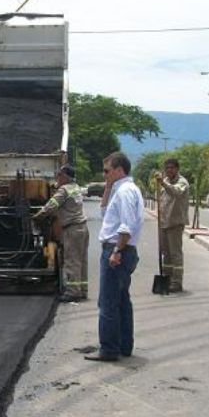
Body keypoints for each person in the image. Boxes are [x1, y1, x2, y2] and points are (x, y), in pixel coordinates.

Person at [85, 152, 144, 362]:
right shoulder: (120, 190)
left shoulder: (126, 191)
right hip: (121, 249)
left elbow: (127, 224)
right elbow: (104, 212)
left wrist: (117, 251)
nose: (104, 175)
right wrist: (108, 186)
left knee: (108, 302)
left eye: (107, 171)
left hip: (118, 250)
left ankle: (109, 349)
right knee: (121, 300)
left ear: (119, 170)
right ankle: (124, 346)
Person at [32, 165, 89, 302]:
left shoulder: (63, 190)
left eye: (59, 175)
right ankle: (82, 290)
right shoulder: (76, 188)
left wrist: (37, 216)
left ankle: (73, 292)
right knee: (81, 260)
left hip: (72, 230)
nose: (57, 177)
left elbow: (50, 206)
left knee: (71, 261)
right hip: (83, 228)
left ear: (65, 176)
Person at [156, 158, 190, 292]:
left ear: (177, 169)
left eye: (171, 167)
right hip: (164, 223)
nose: (169, 170)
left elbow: (176, 192)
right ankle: (167, 278)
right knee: (166, 253)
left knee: (175, 253)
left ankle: (177, 282)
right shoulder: (166, 182)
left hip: (175, 223)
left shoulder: (182, 182)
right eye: (167, 168)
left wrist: (163, 184)